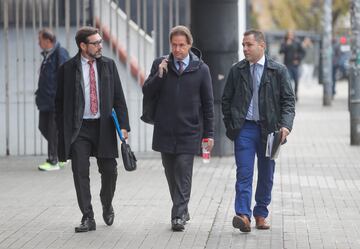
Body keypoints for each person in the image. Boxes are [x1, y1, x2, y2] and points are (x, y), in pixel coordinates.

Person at [55, 26, 130, 233]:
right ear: (82, 46)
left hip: (103, 127)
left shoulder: (109, 65)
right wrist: (62, 131)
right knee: (80, 172)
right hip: (79, 129)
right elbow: (59, 103)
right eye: (95, 43)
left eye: (100, 42)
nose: (100, 46)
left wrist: (124, 126)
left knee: (110, 171)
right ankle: (88, 216)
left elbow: (118, 98)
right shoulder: (67, 69)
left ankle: (107, 202)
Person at [222, 30, 295, 233]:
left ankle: (260, 213)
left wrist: (286, 126)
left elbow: (288, 101)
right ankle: (243, 215)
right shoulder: (237, 70)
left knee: (266, 174)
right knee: (244, 172)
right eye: (243, 44)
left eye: (249, 45)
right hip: (244, 129)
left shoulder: (278, 71)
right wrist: (231, 124)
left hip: (270, 131)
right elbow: (226, 100)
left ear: (261, 45)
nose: (245, 48)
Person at [142, 25, 215, 232]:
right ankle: (182, 208)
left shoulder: (201, 69)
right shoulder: (160, 64)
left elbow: (208, 104)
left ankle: (177, 216)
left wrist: (209, 134)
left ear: (190, 45)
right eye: (174, 45)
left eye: (182, 45)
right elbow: (147, 91)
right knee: (170, 172)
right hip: (165, 129)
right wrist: (159, 74)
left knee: (183, 171)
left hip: (190, 130)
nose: (177, 49)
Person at [35, 28, 69, 171]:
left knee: (52, 129)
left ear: (48, 41)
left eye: (40, 40)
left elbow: (65, 76)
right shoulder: (48, 55)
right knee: (43, 127)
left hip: (55, 100)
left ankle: (53, 160)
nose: (38, 43)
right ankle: (63, 154)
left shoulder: (60, 53)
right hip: (45, 100)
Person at [279, 30, 305, 101]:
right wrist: (286, 45)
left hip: (295, 65)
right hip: (287, 64)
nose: (290, 36)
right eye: (289, 34)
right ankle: (290, 95)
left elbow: (303, 52)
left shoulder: (297, 42)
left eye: (291, 34)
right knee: (288, 81)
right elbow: (281, 51)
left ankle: (296, 94)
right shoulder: (284, 42)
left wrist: (298, 59)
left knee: (296, 81)